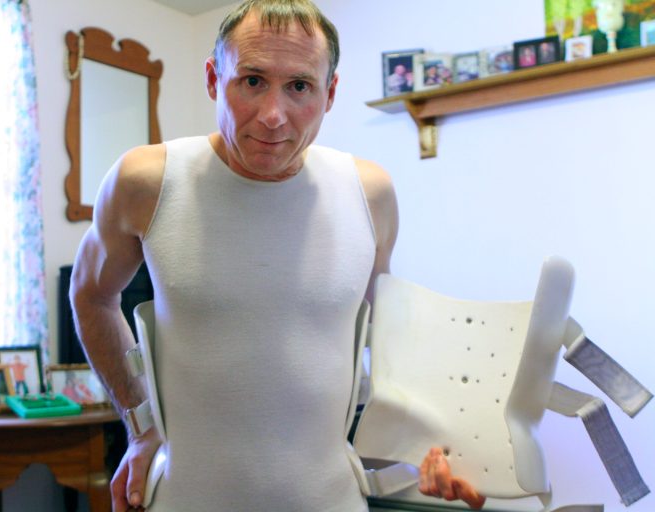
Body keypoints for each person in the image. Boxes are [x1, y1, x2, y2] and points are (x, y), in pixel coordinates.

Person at [69, 1, 485, 510]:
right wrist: (138, 425)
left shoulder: (369, 192)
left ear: (330, 93)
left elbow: (390, 336)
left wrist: (430, 443)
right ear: (212, 78)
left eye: (299, 87)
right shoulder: (146, 181)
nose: (272, 116)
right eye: (251, 81)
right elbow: (90, 296)